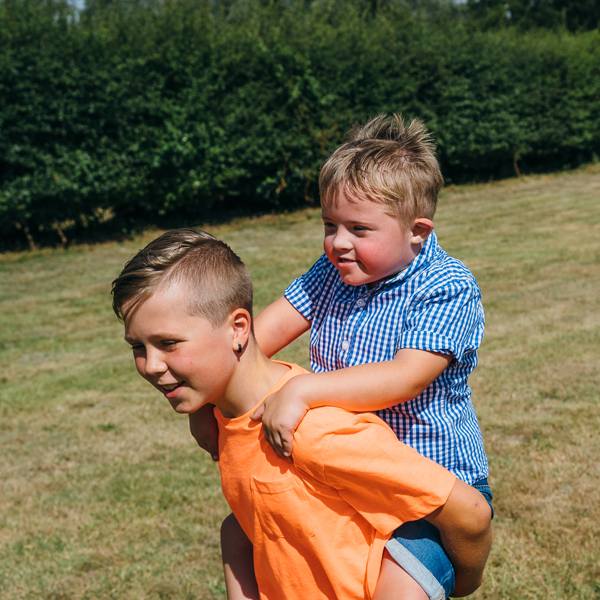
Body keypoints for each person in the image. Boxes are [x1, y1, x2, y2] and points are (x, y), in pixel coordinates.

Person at [190, 114, 493, 599]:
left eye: (358, 228)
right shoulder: (334, 270)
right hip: (342, 467)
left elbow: (406, 377)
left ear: (417, 231)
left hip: (426, 490)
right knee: (247, 531)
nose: (339, 242)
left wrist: (304, 388)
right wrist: (213, 396)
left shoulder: (447, 287)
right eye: (329, 225)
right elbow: (254, 340)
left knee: (398, 580)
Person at [112, 228, 492, 600]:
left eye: (168, 344)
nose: (150, 365)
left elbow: (471, 512)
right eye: (138, 348)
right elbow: (247, 529)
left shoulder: (312, 432)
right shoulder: (227, 420)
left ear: (238, 329)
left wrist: (458, 581)